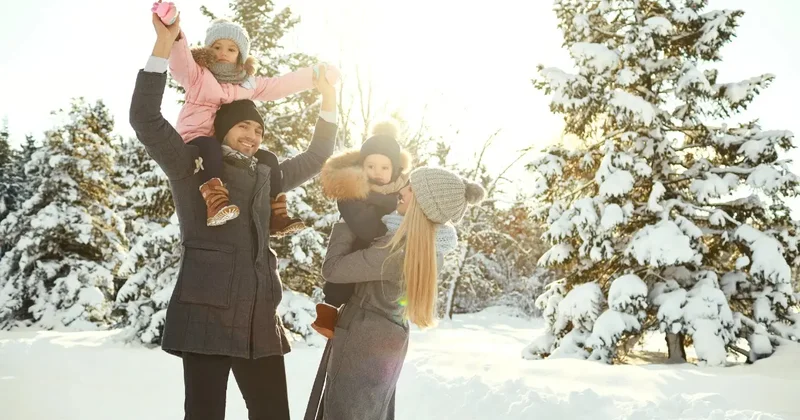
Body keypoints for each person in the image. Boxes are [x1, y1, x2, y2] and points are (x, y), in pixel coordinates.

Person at [130, 12, 337, 420]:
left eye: (258, 131)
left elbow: (316, 157)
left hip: (260, 316)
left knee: (274, 413)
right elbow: (146, 119)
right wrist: (162, 45)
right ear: (221, 128)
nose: (252, 135)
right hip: (206, 311)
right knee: (206, 414)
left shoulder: (266, 173)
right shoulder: (190, 164)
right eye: (243, 126)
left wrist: (329, 98)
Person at [305, 167, 485, 420]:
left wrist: (349, 222)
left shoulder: (398, 251)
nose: (401, 191)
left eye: (411, 189)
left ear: (423, 205)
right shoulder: (429, 249)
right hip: (387, 337)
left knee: (345, 412)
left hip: (364, 336)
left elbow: (334, 269)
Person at [164, 3, 338, 234]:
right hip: (195, 140)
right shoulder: (198, 76)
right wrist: (173, 29)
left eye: (231, 49)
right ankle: (215, 199)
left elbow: (278, 86)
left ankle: (276, 213)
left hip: (216, 144)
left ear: (240, 56)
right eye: (216, 47)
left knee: (268, 157)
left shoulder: (245, 83)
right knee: (210, 148)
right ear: (207, 50)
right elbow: (181, 62)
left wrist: (316, 77)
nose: (223, 53)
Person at [311, 120, 412, 338]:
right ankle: (329, 308)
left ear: (395, 169)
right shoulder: (354, 193)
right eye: (371, 166)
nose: (377, 172)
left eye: (385, 167)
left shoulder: (401, 191)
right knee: (343, 280)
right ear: (361, 167)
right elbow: (366, 229)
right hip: (357, 246)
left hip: (378, 274)